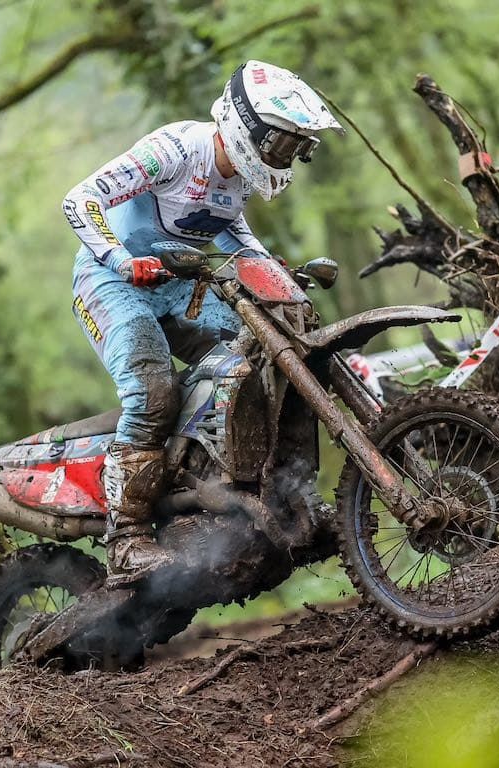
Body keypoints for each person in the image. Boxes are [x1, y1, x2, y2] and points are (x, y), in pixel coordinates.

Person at [62, 60, 342, 587]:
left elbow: (233, 232)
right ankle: (126, 540)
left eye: (297, 148)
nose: (287, 157)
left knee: (262, 355)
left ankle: (280, 495)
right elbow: (80, 199)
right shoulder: (173, 150)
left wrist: (280, 276)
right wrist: (121, 259)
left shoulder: (237, 179)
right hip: (111, 281)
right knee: (153, 393)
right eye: (283, 144)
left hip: (180, 283)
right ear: (247, 127)